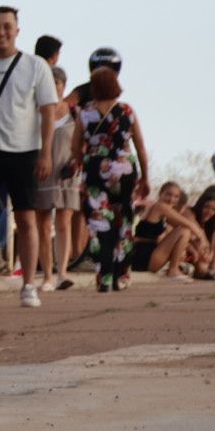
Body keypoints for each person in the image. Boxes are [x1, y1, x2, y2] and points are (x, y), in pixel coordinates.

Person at [0, 6, 60, 307]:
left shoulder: (36, 65)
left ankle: (29, 284)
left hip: (25, 152)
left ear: (17, 30)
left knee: (26, 218)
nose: (1, 32)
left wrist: (45, 153)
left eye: (7, 26)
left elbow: (48, 111)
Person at [70, 66, 148, 293]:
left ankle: (103, 277)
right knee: (123, 221)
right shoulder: (127, 111)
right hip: (124, 168)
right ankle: (121, 275)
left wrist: (85, 161)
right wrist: (145, 176)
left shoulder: (85, 112)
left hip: (96, 167)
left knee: (99, 223)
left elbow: (75, 146)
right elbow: (140, 146)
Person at [32, 67, 81, 293]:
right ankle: (47, 275)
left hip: (67, 171)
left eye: (58, 84)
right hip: (42, 168)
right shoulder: (35, 111)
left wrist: (76, 161)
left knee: (64, 221)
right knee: (42, 223)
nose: (55, 87)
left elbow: (83, 141)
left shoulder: (74, 112)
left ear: (64, 86)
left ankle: (62, 272)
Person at [130, 182, 208, 279]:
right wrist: (202, 239)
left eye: (176, 197)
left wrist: (196, 248)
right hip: (143, 255)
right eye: (168, 194)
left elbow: (178, 233)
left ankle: (177, 269)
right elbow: (189, 225)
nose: (172, 199)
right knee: (185, 231)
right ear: (160, 194)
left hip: (146, 254)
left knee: (185, 232)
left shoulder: (162, 213)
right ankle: (173, 270)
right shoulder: (160, 207)